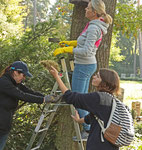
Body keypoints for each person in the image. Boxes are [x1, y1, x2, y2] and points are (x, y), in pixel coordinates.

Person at [53, 0, 112, 139]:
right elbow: (85, 43)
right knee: (82, 97)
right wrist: (70, 43)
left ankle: (88, 129)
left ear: (94, 12)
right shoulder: (93, 25)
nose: (85, 9)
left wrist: (67, 50)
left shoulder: (94, 27)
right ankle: (90, 126)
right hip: (86, 65)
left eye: (88, 8)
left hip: (84, 65)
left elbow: (86, 51)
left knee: (78, 99)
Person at [49, 66, 120, 150]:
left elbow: (70, 97)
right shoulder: (111, 99)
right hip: (110, 145)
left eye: (97, 76)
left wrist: (57, 77)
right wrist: (79, 120)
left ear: (104, 82)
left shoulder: (98, 97)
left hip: (99, 145)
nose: (93, 77)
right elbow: (94, 116)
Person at [0, 61, 57, 150]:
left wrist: (46, 97)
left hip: (4, 127)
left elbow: (28, 91)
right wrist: (44, 100)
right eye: (23, 75)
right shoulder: (4, 83)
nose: (24, 78)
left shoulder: (15, 83)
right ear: (16, 72)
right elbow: (22, 95)